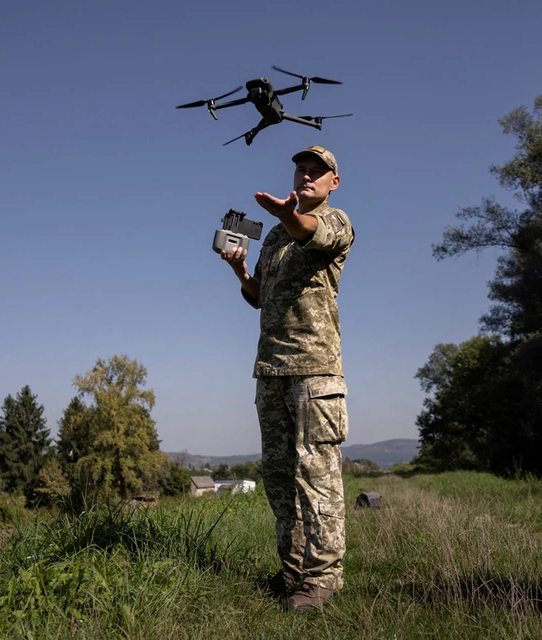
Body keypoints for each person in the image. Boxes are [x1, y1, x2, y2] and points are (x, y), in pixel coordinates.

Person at [220, 145, 355, 613]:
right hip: (271, 370)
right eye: (301, 168)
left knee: (317, 475)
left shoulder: (336, 222)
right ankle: (294, 570)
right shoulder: (276, 236)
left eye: (317, 172)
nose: (306, 176)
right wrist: (240, 270)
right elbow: (260, 297)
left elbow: (309, 231)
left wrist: (288, 214)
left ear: (333, 182)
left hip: (315, 370)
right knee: (279, 477)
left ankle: (322, 578)